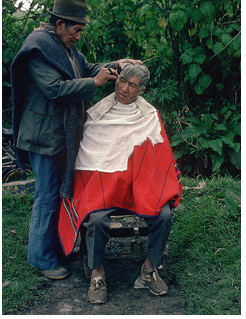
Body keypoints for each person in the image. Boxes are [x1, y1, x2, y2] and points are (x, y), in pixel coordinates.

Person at [10, 0, 142, 280]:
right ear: (60, 25)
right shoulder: (38, 49)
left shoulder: (63, 47)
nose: (78, 37)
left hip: (58, 135)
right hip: (42, 137)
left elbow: (89, 69)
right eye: (76, 30)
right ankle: (42, 259)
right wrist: (93, 83)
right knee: (46, 197)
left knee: (60, 195)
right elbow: (55, 89)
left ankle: (56, 250)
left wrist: (115, 64)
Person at [58, 63, 182, 304]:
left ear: (142, 90)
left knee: (164, 215)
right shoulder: (96, 115)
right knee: (96, 218)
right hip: (103, 191)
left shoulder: (149, 118)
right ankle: (97, 273)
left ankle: (149, 268)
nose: (124, 88)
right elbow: (88, 160)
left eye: (132, 85)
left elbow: (158, 163)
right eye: (122, 80)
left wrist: (139, 183)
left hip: (140, 192)